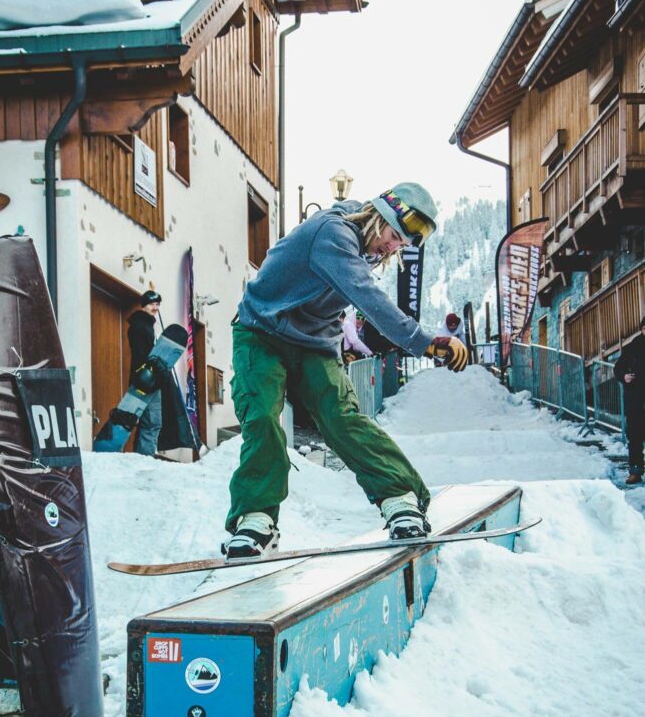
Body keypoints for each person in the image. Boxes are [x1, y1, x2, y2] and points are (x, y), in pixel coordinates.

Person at [223, 182, 469, 559]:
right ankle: (255, 519)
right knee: (261, 416)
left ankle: (400, 499)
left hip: (314, 343)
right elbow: (368, 298)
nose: (393, 246)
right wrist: (425, 342)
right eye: (393, 236)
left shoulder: (362, 250)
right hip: (260, 333)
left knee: (342, 417)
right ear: (378, 218)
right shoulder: (333, 233)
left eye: (402, 244)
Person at [127, 289, 163, 456]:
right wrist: (148, 372)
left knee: (149, 420)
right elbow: (142, 354)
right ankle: (145, 457)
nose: (155, 307)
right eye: (152, 304)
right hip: (146, 379)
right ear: (144, 305)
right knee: (151, 421)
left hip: (148, 378)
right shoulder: (140, 326)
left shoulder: (146, 325)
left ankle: (143, 456)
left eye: (157, 304)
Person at [614, 315, 645, 485]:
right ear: (642, 329)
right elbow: (618, 368)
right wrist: (624, 376)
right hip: (635, 400)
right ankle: (636, 471)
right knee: (635, 437)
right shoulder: (634, 347)